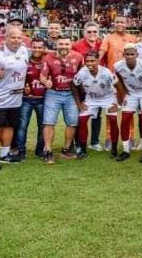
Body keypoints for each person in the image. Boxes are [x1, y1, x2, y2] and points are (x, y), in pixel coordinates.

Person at [0, 26, 29, 170]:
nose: (16, 40)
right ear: (5, 38)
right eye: (13, 37)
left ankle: (4, 154)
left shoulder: (24, 51)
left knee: (9, 125)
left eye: (19, 37)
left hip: (15, 98)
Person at [39, 35, 84, 164]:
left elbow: (83, 73)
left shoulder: (78, 57)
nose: (63, 46)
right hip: (53, 93)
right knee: (49, 121)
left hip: (71, 94)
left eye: (66, 44)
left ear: (71, 44)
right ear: (56, 45)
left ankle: (66, 149)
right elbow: (43, 76)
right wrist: (45, 82)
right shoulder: (48, 58)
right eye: (61, 44)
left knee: (72, 122)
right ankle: (47, 150)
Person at [113, 44, 142, 163]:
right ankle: (126, 150)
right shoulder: (118, 66)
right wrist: (124, 91)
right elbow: (118, 79)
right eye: (127, 54)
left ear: (137, 55)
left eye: (132, 54)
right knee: (125, 119)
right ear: (123, 55)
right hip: (131, 94)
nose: (129, 56)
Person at [99, 16, 137, 149]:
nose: (120, 24)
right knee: (111, 109)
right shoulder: (108, 38)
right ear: (114, 24)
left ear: (127, 23)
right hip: (112, 79)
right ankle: (109, 137)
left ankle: (130, 137)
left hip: (128, 80)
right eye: (117, 22)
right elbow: (102, 53)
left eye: (122, 22)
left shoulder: (133, 38)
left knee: (129, 110)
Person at [72, 51, 119, 158]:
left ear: (98, 61)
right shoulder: (82, 72)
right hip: (91, 99)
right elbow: (74, 85)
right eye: (87, 61)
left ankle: (114, 151)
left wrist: (118, 103)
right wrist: (79, 103)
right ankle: (83, 151)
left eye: (92, 61)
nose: (89, 63)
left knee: (112, 120)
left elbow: (118, 84)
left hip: (108, 97)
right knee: (82, 120)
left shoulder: (106, 72)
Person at [72, 21, 104, 151]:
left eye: (94, 31)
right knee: (81, 114)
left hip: (98, 85)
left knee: (97, 114)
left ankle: (95, 141)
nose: (92, 34)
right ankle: (79, 143)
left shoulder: (102, 44)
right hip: (82, 85)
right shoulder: (76, 45)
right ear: (84, 32)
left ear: (98, 32)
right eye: (89, 31)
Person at [15, 38, 46, 160]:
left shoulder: (47, 62)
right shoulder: (24, 62)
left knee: (42, 126)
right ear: (31, 48)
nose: (37, 49)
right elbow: (15, 79)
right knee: (22, 126)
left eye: (40, 47)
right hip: (26, 99)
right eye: (35, 47)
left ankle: (40, 150)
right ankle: (21, 151)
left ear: (44, 49)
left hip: (43, 99)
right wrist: (23, 87)